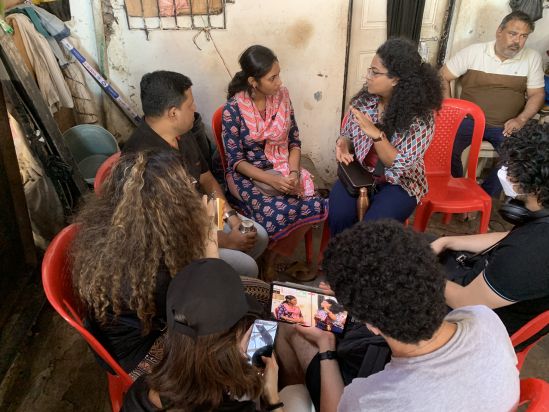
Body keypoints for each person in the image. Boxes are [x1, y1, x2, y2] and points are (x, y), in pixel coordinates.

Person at [277, 220, 519, 412]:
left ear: (371, 325)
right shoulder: (484, 318)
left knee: (290, 328)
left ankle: (291, 391)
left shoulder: (371, 399)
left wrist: (326, 346)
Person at [71, 150, 214, 379]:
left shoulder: (124, 231)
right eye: (186, 186)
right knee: (223, 342)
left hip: (142, 325)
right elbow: (208, 307)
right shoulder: (153, 275)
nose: (192, 191)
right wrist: (209, 236)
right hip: (141, 354)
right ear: (169, 208)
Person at [122, 70, 268, 277]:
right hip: (175, 242)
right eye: (190, 105)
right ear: (173, 113)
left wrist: (231, 219)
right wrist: (226, 241)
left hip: (204, 215)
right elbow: (172, 230)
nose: (195, 109)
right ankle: (217, 287)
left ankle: (228, 281)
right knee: (247, 266)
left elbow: (207, 180)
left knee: (257, 236)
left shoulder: (183, 133)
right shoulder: (142, 160)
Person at [432, 122, 549, 338]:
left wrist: (418, 271)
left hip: (471, 325)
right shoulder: (539, 219)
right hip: (484, 287)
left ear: (533, 183)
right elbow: (509, 237)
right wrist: (447, 241)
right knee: (422, 243)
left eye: (511, 167)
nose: (504, 171)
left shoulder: (529, 253)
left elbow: (463, 301)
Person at [121, 258, 284, 412]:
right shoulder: (238, 408)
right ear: (230, 341)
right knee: (295, 393)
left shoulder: (139, 392)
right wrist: (273, 399)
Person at [222, 45, 328, 280]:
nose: (280, 82)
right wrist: (272, 180)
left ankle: (273, 258)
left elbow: (294, 141)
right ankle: (267, 255)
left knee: (313, 202)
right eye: (273, 78)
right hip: (247, 175)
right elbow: (235, 160)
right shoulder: (233, 110)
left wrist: (293, 173)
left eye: (279, 74)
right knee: (278, 214)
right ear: (253, 81)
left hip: (282, 165)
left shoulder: (283, 97)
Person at [329, 38, 442, 235]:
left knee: (372, 231)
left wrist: (376, 135)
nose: (367, 77)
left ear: (396, 79)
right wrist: (343, 144)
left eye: (375, 72)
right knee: (339, 217)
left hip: (400, 183)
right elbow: (347, 132)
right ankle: (341, 262)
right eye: (369, 70)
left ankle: (367, 265)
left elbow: (397, 164)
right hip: (360, 173)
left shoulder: (421, 118)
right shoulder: (366, 99)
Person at [440, 11, 545, 197]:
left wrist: (521, 119)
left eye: (524, 36)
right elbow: (443, 77)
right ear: (499, 32)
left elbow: (537, 94)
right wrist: (451, 111)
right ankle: (456, 191)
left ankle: (482, 197)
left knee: (516, 158)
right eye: (513, 33)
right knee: (445, 148)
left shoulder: (532, 58)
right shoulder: (474, 52)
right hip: (468, 120)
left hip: (506, 125)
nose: (517, 41)